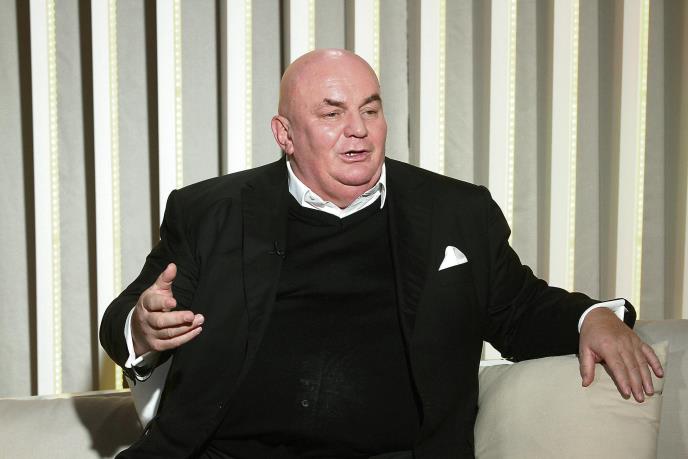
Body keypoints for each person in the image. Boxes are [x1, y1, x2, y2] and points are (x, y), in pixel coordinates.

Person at [100, 49, 663, 458]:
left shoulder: (454, 212)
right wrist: (143, 329)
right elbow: (126, 317)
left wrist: (594, 318)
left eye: (370, 110)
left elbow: (519, 308)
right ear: (285, 134)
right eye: (332, 114)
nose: (358, 131)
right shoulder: (211, 212)